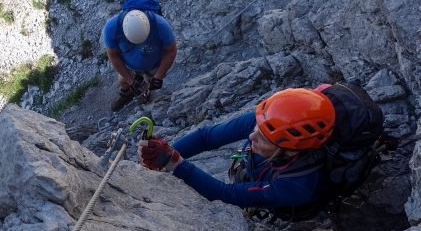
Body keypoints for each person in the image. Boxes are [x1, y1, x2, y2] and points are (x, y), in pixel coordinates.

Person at [137, 88, 335, 210]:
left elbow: (227, 195)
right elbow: (206, 138)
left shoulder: (299, 186)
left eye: (263, 140)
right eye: (257, 128)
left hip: (279, 201)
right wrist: (161, 153)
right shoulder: (268, 121)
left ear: (291, 151)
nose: (252, 136)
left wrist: (174, 162)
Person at [102, 7, 177, 111]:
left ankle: (146, 92)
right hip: (130, 66)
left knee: (151, 84)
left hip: (154, 65)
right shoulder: (111, 28)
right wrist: (131, 81)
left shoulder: (161, 26)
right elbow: (113, 55)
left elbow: (171, 50)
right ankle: (126, 93)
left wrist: (158, 76)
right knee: (122, 80)